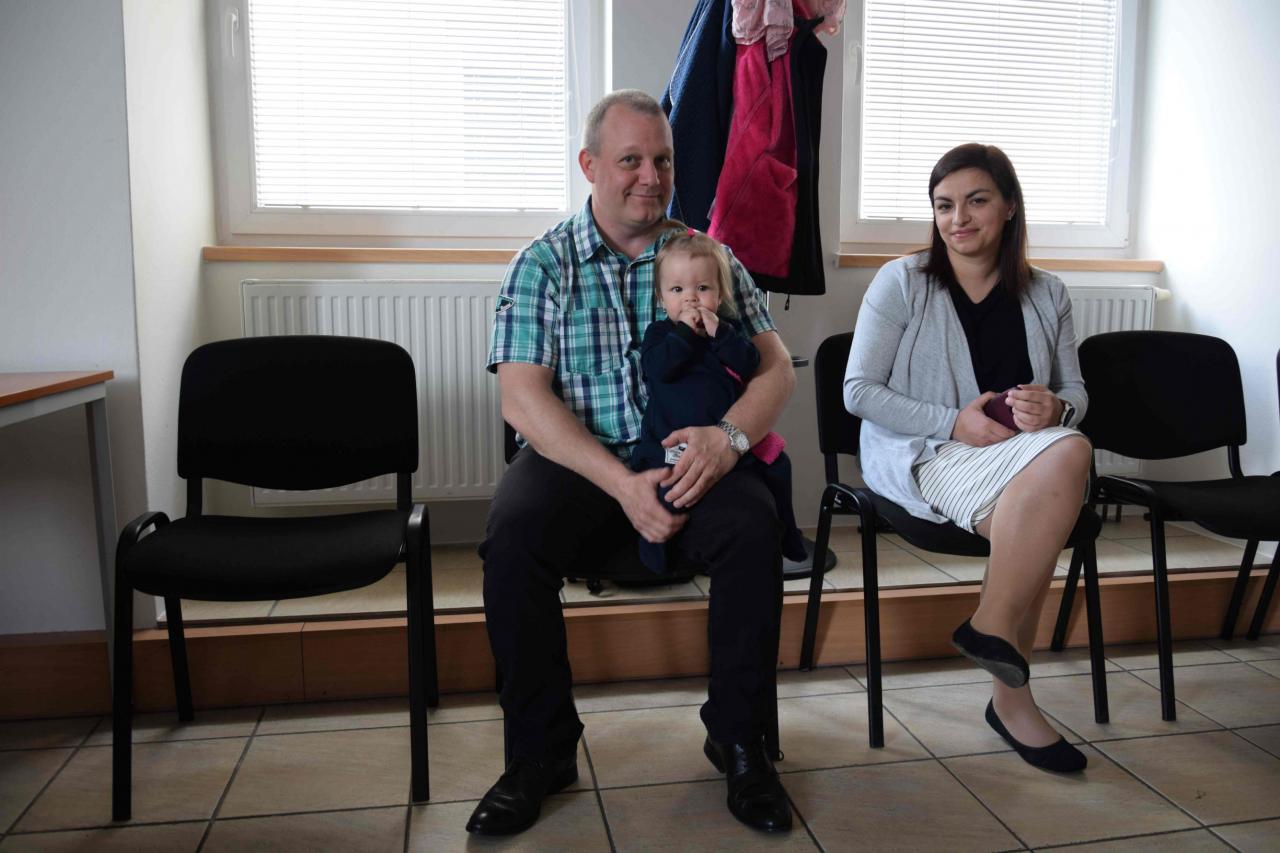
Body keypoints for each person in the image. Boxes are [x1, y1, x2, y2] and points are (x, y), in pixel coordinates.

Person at [469, 89, 798, 837]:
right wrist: (621, 484)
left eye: (663, 161)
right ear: (589, 166)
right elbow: (522, 398)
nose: (651, 177)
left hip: (694, 457)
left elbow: (777, 370)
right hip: (583, 467)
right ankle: (540, 752)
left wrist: (728, 439)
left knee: (754, 525)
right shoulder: (543, 264)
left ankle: (740, 741)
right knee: (512, 535)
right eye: (630, 161)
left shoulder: (708, 257)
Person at [845, 143, 1093, 773]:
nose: (958, 218)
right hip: (927, 451)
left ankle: (994, 633)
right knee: (1061, 472)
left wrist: (1056, 408)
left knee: (1063, 452)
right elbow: (858, 392)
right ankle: (1010, 689)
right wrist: (952, 420)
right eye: (944, 205)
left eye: (976, 201)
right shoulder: (902, 282)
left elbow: (1075, 392)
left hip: (1022, 451)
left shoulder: (1049, 293)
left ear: (1008, 207)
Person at [632, 226, 807, 572]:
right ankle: (654, 553)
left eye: (702, 288)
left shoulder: (726, 332)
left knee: (779, 466)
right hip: (669, 440)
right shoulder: (660, 334)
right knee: (667, 494)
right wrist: (685, 332)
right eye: (677, 290)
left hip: (722, 440)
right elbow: (658, 368)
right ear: (661, 298)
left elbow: (749, 363)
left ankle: (789, 535)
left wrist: (720, 333)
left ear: (720, 293)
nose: (691, 299)